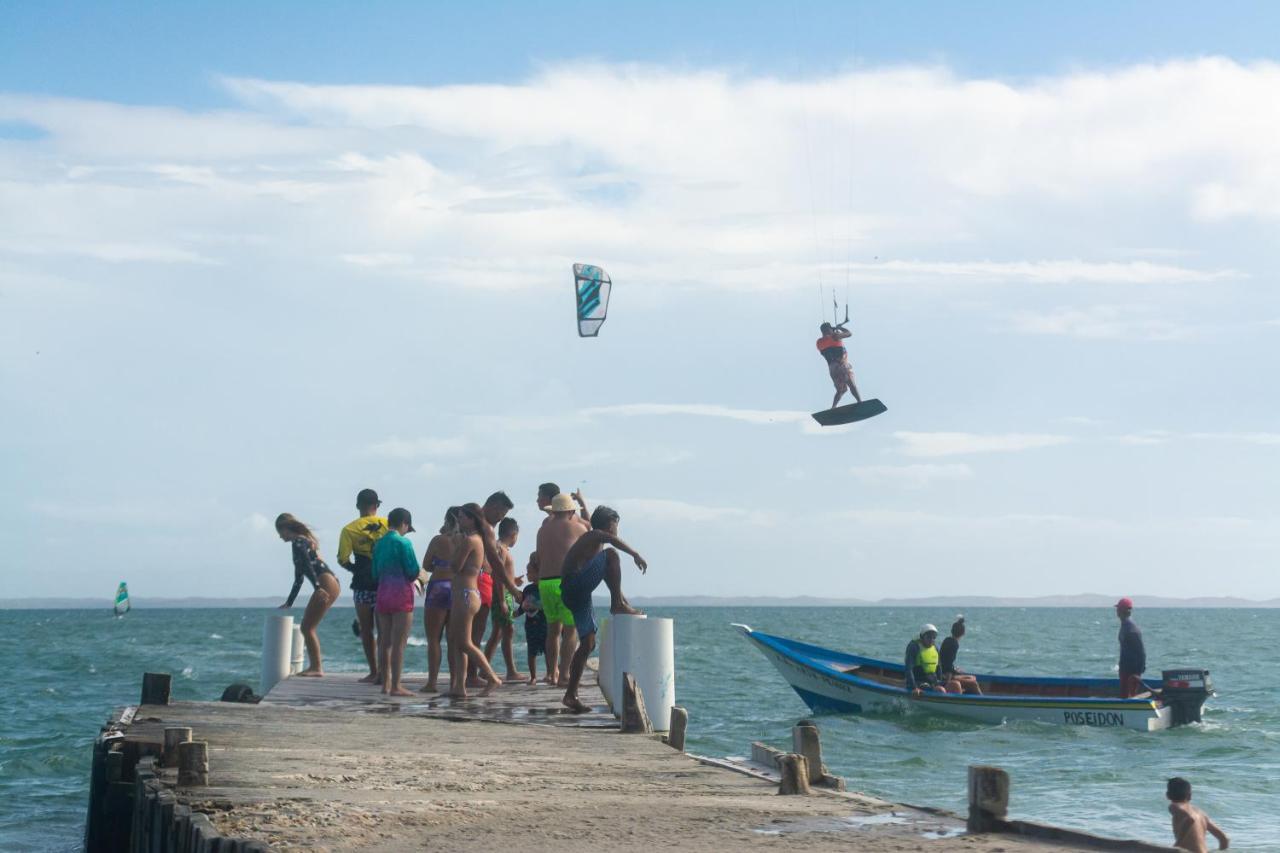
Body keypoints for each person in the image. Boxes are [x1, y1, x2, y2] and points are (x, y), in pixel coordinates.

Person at [558, 505, 646, 713]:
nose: (616, 531)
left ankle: (570, 695)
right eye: (615, 527)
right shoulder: (593, 536)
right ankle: (617, 604)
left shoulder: (595, 544)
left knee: (588, 643)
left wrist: (624, 599)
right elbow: (610, 542)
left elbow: (609, 577)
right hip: (574, 586)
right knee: (612, 555)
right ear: (608, 526)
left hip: (579, 594)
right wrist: (634, 553)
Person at [535, 493, 591, 686]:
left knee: (552, 630)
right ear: (570, 511)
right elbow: (592, 545)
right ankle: (565, 674)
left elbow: (540, 556)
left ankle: (552, 674)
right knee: (570, 630)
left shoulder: (542, 531)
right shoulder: (578, 527)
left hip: (545, 583)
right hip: (565, 582)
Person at [448, 503, 503, 698]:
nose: (459, 521)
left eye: (462, 517)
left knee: (464, 643)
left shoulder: (469, 540)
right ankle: (458, 687)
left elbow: (455, 566)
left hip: (465, 594)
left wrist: (455, 543)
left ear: (471, 519)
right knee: (458, 642)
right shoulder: (479, 539)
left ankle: (492, 677)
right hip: (467, 594)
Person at [276, 513, 340, 677]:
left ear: (285, 528)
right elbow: (299, 577)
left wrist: (318, 587)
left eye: (279, 531)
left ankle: (316, 668)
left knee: (307, 627)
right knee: (308, 626)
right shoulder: (302, 541)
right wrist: (289, 602)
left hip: (325, 582)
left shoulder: (298, 542)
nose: (279, 536)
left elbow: (306, 562)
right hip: (329, 581)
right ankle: (316, 667)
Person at [336, 488, 388, 684]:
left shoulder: (349, 529)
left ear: (358, 505)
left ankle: (374, 672)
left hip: (363, 582)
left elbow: (342, 558)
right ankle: (386, 672)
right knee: (385, 630)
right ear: (377, 506)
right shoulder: (387, 524)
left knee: (367, 630)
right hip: (385, 582)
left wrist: (355, 569)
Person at [468, 491, 520, 686]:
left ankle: (464, 676)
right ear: (494, 507)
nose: (501, 519)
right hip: (480, 581)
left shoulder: (469, 520)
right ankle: (471, 675)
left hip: (469, 580)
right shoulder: (485, 527)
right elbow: (496, 563)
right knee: (475, 633)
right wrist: (511, 588)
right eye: (501, 514)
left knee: (465, 633)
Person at [372, 507, 422, 697]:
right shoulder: (404, 543)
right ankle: (396, 686)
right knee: (399, 643)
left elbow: (375, 573)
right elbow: (412, 571)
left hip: (382, 594)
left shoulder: (378, 544)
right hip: (401, 595)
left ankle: (385, 684)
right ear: (404, 524)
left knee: (384, 642)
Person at [418, 507, 461, 693]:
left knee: (434, 639)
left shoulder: (438, 540)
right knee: (453, 640)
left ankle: (432, 682)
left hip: (438, 586)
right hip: (457, 588)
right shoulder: (465, 540)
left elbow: (426, 565)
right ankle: (454, 682)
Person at [483, 517, 525, 681]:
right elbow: (498, 577)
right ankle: (510, 670)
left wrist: (514, 581)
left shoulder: (502, 549)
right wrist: (501, 600)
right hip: (501, 595)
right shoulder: (500, 549)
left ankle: (486, 668)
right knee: (503, 631)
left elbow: (503, 576)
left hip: (505, 593)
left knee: (501, 632)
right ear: (514, 534)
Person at [1167, 777, 1229, 852]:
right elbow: (1224, 838)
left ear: (1168, 795)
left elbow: (1190, 819)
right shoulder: (1201, 814)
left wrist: (1177, 845)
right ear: (1190, 796)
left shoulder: (1174, 806)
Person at [815, 321, 862, 410]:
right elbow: (849, 333)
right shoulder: (835, 336)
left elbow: (829, 343)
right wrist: (839, 327)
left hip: (832, 369)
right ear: (829, 329)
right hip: (841, 365)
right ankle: (860, 402)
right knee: (851, 384)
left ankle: (833, 407)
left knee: (841, 390)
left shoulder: (819, 342)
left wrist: (833, 331)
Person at [519, 553, 547, 686]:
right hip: (530, 625)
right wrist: (515, 613)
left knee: (548, 649)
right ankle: (533, 677)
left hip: (544, 624)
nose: (527, 575)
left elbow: (547, 606)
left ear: (538, 573)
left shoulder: (544, 588)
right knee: (531, 651)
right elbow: (522, 606)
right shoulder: (527, 589)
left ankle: (551, 673)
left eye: (530, 572)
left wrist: (535, 605)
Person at [938, 616, 982, 695]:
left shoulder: (947, 640)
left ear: (951, 631)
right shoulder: (954, 644)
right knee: (973, 683)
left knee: (972, 678)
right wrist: (949, 679)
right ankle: (983, 701)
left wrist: (954, 669)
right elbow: (947, 666)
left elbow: (945, 660)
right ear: (963, 633)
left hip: (943, 672)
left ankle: (964, 692)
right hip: (946, 675)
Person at [1115, 597, 1147, 698]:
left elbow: (1141, 652)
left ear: (1123, 611)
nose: (1117, 611)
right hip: (1125, 670)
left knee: (1128, 697)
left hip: (1131, 673)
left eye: (1118, 608)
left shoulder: (1131, 629)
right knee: (1123, 696)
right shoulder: (1125, 626)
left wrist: (1138, 672)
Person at [905, 624, 949, 696]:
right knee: (941, 690)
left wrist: (939, 682)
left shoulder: (935, 648)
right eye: (928, 637)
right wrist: (914, 687)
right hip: (919, 682)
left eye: (934, 637)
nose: (931, 639)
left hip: (933, 682)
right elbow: (908, 669)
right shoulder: (914, 647)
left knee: (955, 684)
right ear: (922, 637)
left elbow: (939, 668)